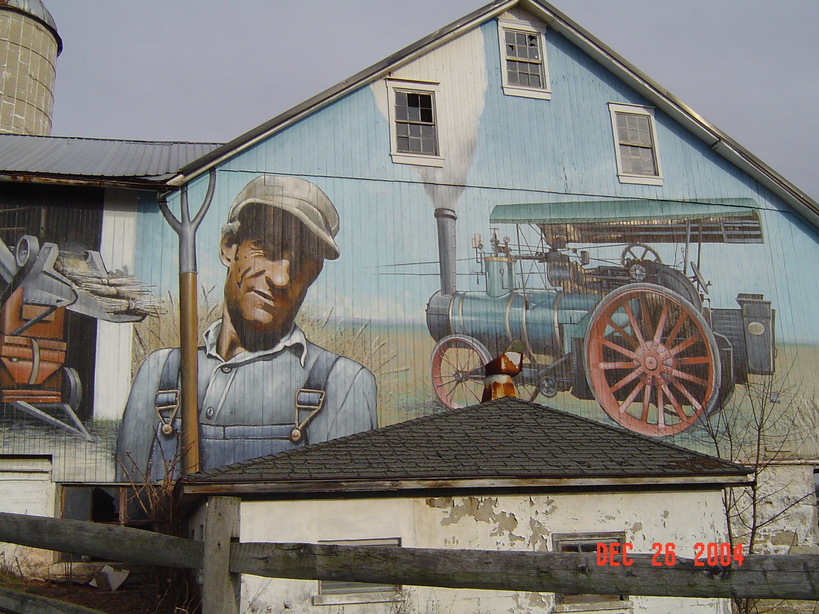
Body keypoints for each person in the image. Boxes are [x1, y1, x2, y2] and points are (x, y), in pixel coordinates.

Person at [116, 175, 377, 480]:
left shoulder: (342, 385)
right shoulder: (161, 373)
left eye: (303, 260)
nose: (281, 278)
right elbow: (126, 503)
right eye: (266, 248)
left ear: (315, 273)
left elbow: (338, 515)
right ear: (229, 248)